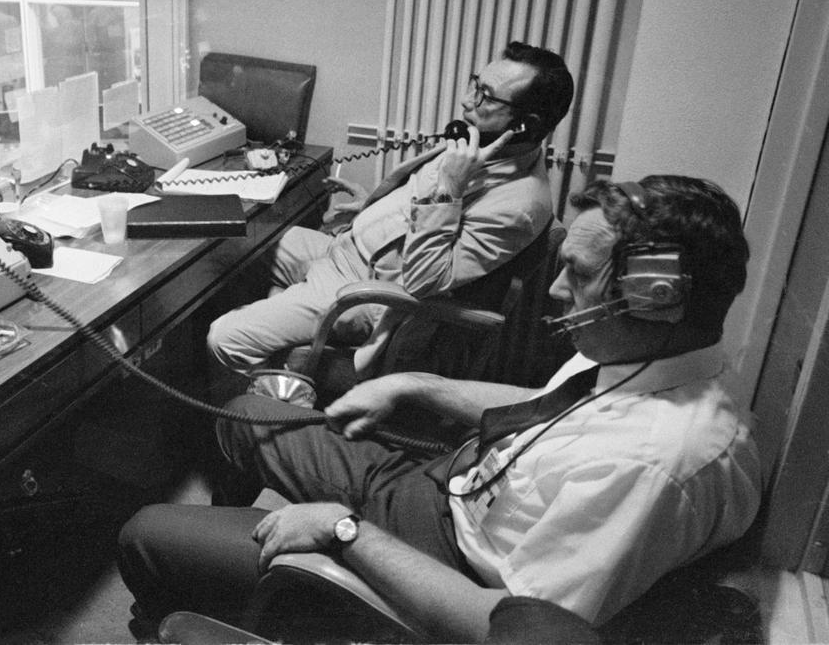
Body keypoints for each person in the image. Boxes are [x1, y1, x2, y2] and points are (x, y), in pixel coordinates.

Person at [119, 175, 762, 642]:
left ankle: (228, 596)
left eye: (579, 274)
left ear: (654, 296)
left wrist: (342, 532)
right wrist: (416, 385)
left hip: (443, 561)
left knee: (146, 534)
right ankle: (244, 591)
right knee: (245, 414)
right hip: (448, 485)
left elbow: (510, 631)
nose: (559, 292)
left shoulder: (652, 467)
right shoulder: (643, 360)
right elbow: (552, 405)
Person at [207, 41, 574, 375]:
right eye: (475, 84)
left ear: (527, 126)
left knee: (225, 338)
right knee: (230, 250)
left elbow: (425, 280)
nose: (466, 101)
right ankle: (270, 343)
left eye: (486, 97)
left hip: (363, 292)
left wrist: (450, 187)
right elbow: (418, 208)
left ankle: (271, 406)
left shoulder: (520, 205)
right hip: (343, 249)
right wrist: (371, 209)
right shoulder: (480, 148)